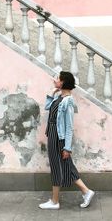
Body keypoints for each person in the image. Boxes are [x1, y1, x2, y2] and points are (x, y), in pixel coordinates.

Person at [39, 71, 95, 210]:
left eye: (57, 78)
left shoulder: (68, 101)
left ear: (63, 82)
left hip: (59, 138)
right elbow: (47, 107)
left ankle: (55, 201)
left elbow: (69, 126)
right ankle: (86, 192)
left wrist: (67, 147)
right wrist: (52, 92)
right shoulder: (59, 97)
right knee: (65, 166)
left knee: (58, 167)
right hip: (53, 135)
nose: (54, 79)